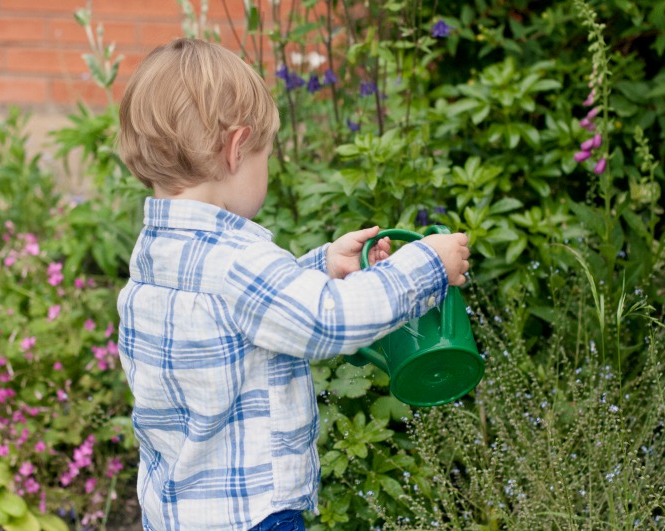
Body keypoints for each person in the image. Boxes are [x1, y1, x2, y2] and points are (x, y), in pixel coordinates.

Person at [116, 37, 471, 531]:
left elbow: (243, 315)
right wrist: (426, 266)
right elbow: (330, 322)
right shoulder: (238, 262)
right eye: (265, 156)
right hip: (252, 518)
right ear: (237, 147)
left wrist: (320, 267)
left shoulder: (153, 253)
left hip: (175, 512)